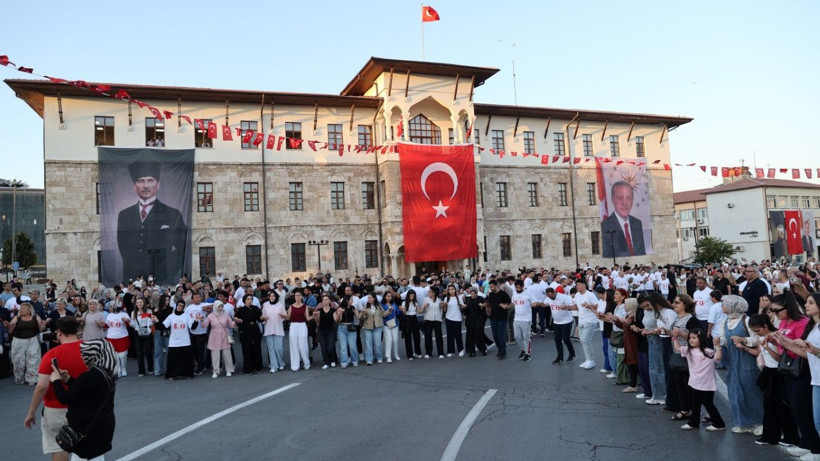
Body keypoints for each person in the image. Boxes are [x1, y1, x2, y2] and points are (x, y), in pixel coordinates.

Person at [23, 317, 88, 461]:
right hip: (85, 406)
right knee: (86, 447)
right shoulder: (90, 350)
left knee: (59, 446)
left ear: (59, 332)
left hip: (56, 408)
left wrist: (31, 412)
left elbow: (41, 387)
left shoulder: (51, 355)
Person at [116, 159, 187, 285]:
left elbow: (182, 248)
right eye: (140, 181)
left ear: (158, 184)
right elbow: (123, 249)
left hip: (163, 278)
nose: (146, 186)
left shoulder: (173, 214)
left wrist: (168, 271)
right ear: (134, 186)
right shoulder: (124, 215)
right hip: (133, 278)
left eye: (150, 180)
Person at [50, 339, 117, 461]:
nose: (82, 357)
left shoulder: (92, 375)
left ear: (93, 355)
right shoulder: (106, 373)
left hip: (89, 430)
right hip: (100, 426)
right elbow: (86, 391)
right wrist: (68, 379)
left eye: (84, 354)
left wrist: (56, 381)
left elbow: (65, 398)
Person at [747, 313, 799, 446]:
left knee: (782, 406)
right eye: (754, 331)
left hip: (778, 372)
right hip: (769, 371)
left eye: (758, 330)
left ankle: (789, 436)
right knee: (769, 406)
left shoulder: (775, 337)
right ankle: (771, 435)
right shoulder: (763, 337)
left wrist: (767, 348)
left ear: (765, 326)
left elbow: (780, 358)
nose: (757, 333)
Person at [715, 295, 764, 434]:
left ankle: (758, 422)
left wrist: (743, 340)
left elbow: (757, 339)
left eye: (724, 304)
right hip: (733, 361)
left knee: (751, 391)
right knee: (736, 392)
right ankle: (743, 422)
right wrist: (719, 342)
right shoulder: (724, 322)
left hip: (747, 359)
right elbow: (725, 340)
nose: (722, 306)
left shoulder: (746, 321)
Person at [675, 329, 726, 432]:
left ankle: (719, 423)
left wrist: (717, 346)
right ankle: (694, 423)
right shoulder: (689, 350)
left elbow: (718, 357)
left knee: (708, 404)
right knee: (695, 404)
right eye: (690, 338)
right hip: (695, 383)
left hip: (707, 384)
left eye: (694, 338)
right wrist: (675, 337)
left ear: (701, 339)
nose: (691, 340)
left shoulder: (708, 351)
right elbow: (677, 348)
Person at [602, 181, 647, 257]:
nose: (625, 203)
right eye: (620, 198)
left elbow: (641, 253)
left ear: (632, 200)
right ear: (613, 200)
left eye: (628, 198)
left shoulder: (637, 223)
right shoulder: (605, 226)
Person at [6, 302, 47, 385]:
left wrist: (43, 325)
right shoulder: (17, 317)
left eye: (24, 308)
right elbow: (10, 331)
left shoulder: (35, 317)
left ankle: (32, 379)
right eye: (21, 308)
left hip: (33, 341)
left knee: (33, 359)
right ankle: (20, 379)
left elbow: (41, 329)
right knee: (18, 361)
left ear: (29, 309)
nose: (21, 310)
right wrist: (8, 326)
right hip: (18, 341)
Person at [159, 301, 196, 380]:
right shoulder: (171, 316)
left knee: (187, 359)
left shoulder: (186, 316)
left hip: (185, 341)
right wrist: (156, 321)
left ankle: (188, 374)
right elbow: (164, 325)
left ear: (183, 307)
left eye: (182, 306)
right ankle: (172, 375)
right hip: (174, 342)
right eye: (179, 305)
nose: (180, 307)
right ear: (176, 306)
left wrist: (196, 321)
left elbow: (192, 327)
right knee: (173, 360)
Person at [202, 300, 235, 378]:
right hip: (214, 335)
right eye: (219, 306)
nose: (220, 308)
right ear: (215, 307)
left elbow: (231, 325)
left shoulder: (226, 315)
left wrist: (234, 321)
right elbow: (205, 325)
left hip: (224, 334)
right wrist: (201, 320)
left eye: (221, 306)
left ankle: (229, 370)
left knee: (227, 353)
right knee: (215, 354)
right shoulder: (210, 316)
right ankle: (216, 371)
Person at [571, 280, 599, 370]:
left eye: (579, 285)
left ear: (584, 285)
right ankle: (587, 360)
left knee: (586, 340)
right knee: (583, 341)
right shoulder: (577, 295)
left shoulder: (590, 295)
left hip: (590, 320)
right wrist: (566, 307)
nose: (577, 286)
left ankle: (591, 360)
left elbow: (597, 305)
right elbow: (576, 306)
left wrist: (589, 306)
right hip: (581, 320)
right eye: (576, 285)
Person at [234, 294, 263, 375]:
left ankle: (258, 366)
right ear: (244, 300)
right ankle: (248, 369)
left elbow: (259, 319)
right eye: (248, 299)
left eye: (251, 299)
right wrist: (237, 320)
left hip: (254, 330)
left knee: (256, 349)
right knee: (246, 350)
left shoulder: (255, 308)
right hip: (245, 330)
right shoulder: (241, 310)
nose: (250, 301)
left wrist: (262, 318)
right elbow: (236, 319)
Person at [546, 287, 576, 365]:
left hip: (566, 321)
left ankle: (572, 354)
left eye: (551, 296)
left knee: (566, 339)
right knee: (557, 340)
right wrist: (537, 303)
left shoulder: (564, 297)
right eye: (548, 296)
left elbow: (572, 306)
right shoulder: (548, 298)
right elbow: (544, 303)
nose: (550, 298)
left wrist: (565, 307)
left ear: (554, 292)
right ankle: (560, 358)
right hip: (556, 322)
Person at [282, 291, 311, 371]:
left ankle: (306, 363)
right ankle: (295, 365)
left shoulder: (305, 306)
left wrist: (314, 316)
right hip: (293, 325)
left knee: (303, 345)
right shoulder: (291, 306)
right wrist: (283, 316)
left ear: (301, 297)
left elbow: (307, 318)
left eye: (299, 295)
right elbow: (288, 317)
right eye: (296, 295)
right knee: (294, 346)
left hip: (302, 325)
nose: (297, 297)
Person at [512, 280, 538, 362]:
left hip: (526, 319)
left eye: (518, 287)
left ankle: (527, 354)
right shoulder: (514, 293)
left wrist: (534, 304)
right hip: (517, 318)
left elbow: (535, 302)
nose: (517, 289)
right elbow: (513, 303)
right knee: (517, 336)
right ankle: (523, 349)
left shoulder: (528, 293)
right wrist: (507, 306)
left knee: (526, 337)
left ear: (522, 287)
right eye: (516, 287)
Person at [104, 300, 131, 378]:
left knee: (122, 355)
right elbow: (107, 325)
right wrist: (102, 324)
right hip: (111, 337)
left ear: (116, 307)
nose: (109, 308)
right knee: (115, 355)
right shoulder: (109, 315)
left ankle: (123, 368)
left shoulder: (124, 314)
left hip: (122, 337)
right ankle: (118, 370)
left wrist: (126, 321)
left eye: (111, 307)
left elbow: (129, 324)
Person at [261, 291, 286, 373]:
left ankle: (281, 363)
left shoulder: (280, 305)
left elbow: (285, 315)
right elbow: (262, 316)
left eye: (273, 296)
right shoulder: (265, 305)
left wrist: (282, 316)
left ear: (276, 297)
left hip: (278, 329)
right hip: (269, 328)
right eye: (270, 296)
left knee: (278, 348)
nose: (272, 297)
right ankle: (273, 366)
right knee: (271, 349)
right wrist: (263, 318)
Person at [486, 280, 511, 360]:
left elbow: (509, 303)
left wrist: (505, 305)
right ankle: (499, 349)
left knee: (501, 336)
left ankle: (503, 352)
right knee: (495, 336)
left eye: (492, 286)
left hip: (502, 318)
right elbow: (489, 303)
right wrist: (487, 309)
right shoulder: (491, 294)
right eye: (490, 287)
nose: (491, 288)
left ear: (496, 285)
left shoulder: (503, 294)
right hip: (493, 318)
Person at [313, 294, 339, 369]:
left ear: (329, 301)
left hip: (331, 331)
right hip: (321, 331)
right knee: (323, 348)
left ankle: (332, 360)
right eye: (323, 300)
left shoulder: (333, 310)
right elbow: (318, 322)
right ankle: (326, 362)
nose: (324, 301)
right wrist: (316, 316)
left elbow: (335, 320)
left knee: (330, 347)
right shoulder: (319, 310)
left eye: (326, 299)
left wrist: (339, 314)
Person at [131, 297, 154, 377]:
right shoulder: (133, 312)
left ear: (143, 303)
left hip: (147, 331)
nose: (139, 304)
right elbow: (133, 324)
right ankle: (141, 371)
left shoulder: (149, 311)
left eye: (141, 302)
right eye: (137, 302)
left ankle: (150, 368)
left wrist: (151, 322)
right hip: (138, 332)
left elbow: (151, 322)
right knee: (139, 352)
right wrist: (129, 322)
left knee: (148, 351)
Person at [360, 294, 385, 366]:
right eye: (368, 298)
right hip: (368, 327)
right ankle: (369, 360)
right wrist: (364, 313)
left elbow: (383, 315)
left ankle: (379, 357)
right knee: (368, 344)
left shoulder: (379, 306)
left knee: (377, 343)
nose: (369, 299)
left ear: (374, 298)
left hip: (378, 326)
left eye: (370, 298)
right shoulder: (365, 307)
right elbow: (363, 318)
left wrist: (389, 311)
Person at [419, 289, 444, 359]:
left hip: (437, 320)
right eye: (429, 292)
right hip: (428, 319)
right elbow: (422, 310)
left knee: (439, 337)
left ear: (434, 293)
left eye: (430, 292)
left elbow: (441, 310)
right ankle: (428, 353)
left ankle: (440, 353)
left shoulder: (439, 300)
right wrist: (425, 307)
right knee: (428, 336)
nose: (428, 293)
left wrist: (442, 305)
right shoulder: (425, 299)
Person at [442, 285, 465, 358]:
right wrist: (444, 306)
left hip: (457, 318)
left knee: (458, 335)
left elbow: (462, 307)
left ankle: (461, 350)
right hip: (448, 318)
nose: (451, 291)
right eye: (449, 289)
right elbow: (444, 310)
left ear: (455, 290)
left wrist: (462, 306)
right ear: (448, 291)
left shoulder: (459, 298)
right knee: (450, 335)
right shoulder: (446, 298)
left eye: (452, 289)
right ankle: (451, 351)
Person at [464, 288, 488, 357]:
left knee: (478, 335)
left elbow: (484, 306)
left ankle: (483, 349)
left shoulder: (480, 299)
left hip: (478, 320)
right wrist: (464, 308)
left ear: (476, 293)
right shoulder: (468, 300)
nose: (473, 295)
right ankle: (472, 352)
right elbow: (465, 311)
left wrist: (482, 306)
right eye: (471, 294)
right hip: (470, 320)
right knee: (470, 336)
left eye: (474, 293)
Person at [400, 290, 423, 360]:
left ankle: (418, 352)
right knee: (408, 337)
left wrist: (424, 307)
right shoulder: (404, 303)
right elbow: (404, 313)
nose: (411, 297)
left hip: (414, 318)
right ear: (408, 296)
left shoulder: (415, 303)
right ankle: (410, 355)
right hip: (407, 319)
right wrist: (403, 310)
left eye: (413, 296)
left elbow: (419, 311)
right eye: (410, 296)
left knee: (417, 336)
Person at [381, 292, 401, 363]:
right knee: (388, 340)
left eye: (390, 296)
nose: (389, 297)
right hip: (386, 324)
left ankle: (396, 354)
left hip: (394, 323)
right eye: (388, 296)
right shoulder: (382, 305)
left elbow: (398, 313)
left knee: (395, 339)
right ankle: (388, 356)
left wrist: (400, 310)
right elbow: (382, 315)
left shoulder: (394, 304)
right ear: (385, 297)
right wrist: (388, 311)